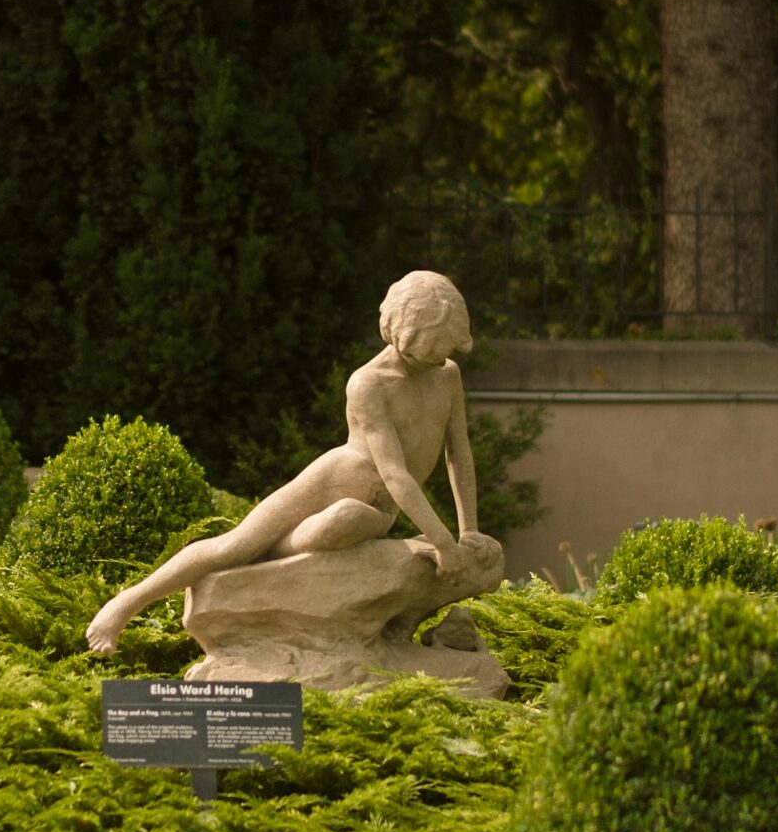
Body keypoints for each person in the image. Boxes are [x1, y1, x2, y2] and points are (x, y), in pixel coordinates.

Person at [85, 269, 495, 655]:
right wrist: (442, 543)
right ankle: (126, 604)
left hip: (377, 511)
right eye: (440, 342)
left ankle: (281, 547)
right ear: (410, 331)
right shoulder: (368, 383)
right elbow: (394, 473)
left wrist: (468, 531)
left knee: (348, 519)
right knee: (236, 546)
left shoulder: (447, 376)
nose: (447, 354)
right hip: (333, 480)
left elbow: (458, 452)